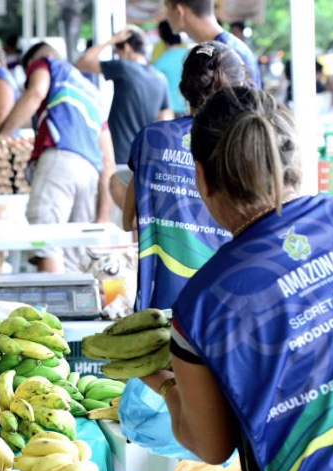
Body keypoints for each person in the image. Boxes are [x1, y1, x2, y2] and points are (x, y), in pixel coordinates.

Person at [141, 85, 333, 471]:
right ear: (293, 161)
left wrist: (161, 383)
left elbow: (211, 444)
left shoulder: (203, 303)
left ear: (202, 179)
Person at [121, 41, 247, 311]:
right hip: (226, 302)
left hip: (161, 311)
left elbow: (129, 220)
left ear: (184, 88)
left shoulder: (152, 138)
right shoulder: (240, 144)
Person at [0, 42, 110, 273]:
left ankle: (52, 311)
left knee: (45, 241)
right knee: (74, 255)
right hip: (90, 174)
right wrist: (102, 216)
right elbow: (108, 161)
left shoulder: (48, 63)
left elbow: (36, 93)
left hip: (60, 160)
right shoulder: (93, 95)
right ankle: (77, 310)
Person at [75, 25, 172, 187]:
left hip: (119, 155)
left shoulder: (124, 68)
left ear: (126, 47)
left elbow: (83, 62)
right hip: (145, 158)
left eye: (117, 51)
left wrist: (111, 40)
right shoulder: (160, 78)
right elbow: (165, 118)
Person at [164, 0, 262, 89]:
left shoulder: (229, 54)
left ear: (179, 12)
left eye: (167, 8)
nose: (166, 15)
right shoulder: (223, 48)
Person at [153, 21, 190, 117]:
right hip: (192, 109)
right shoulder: (192, 55)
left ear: (162, 36)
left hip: (170, 112)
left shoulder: (160, 62)